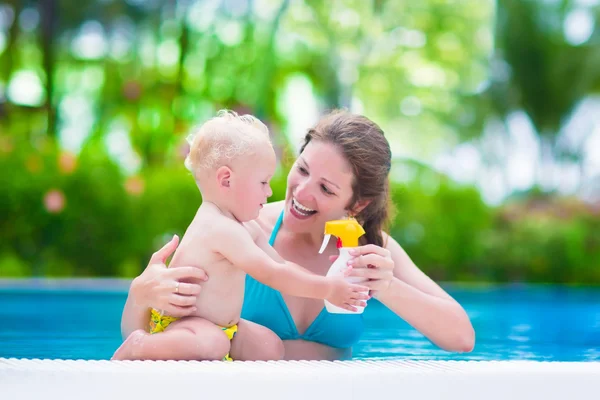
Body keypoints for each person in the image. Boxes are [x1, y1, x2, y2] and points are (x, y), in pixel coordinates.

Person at [119, 109, 475, 361]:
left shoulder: (371, 249)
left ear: (357, 203)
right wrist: (139, 294)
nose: (302, 192)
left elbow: (462, 337)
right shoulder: (243, 228)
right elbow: (151, 338)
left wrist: (385, 285)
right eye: (302, 169)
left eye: (326, 188)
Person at [111, 111, 369, 362]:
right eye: (263, 182)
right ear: (226, 180)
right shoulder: (219, 228)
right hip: (182, 327)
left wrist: (330, 281)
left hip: (222, 327)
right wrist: (327, 289)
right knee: (213, 343)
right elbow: (271, 274)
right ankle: (140, 345)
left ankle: (219, 355)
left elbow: (281, 264)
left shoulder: (245, 227)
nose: (269, 193)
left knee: (270, 347)